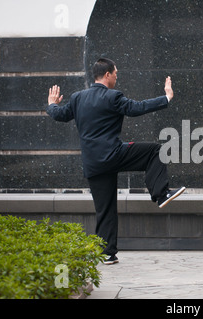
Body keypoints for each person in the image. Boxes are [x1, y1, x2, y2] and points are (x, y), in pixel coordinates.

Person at [46, 58, 185, 264]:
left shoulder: (77, 98)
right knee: (155, 150)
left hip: (93, 163)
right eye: (116, 74)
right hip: (113, 154)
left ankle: (106, 253)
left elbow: (60, 114)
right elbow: (137, 108)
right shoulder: (113, 96)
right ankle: (161, 193)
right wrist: (166, 98)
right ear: (108, 74)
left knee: (105, 209)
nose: (117, 77)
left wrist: (51, 104)